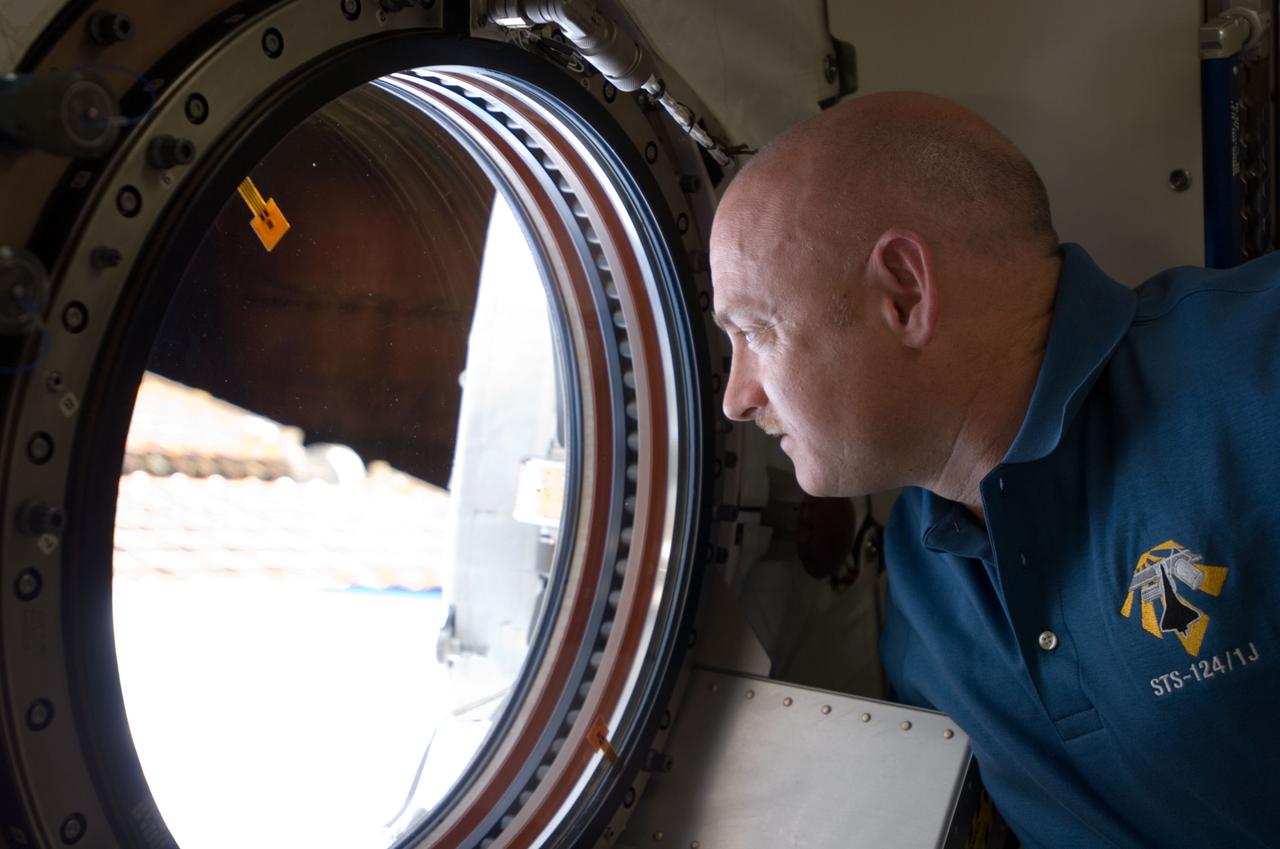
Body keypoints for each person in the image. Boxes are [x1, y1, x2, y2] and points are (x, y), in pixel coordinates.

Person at [709, 91, 1280, 848]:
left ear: (905, 293)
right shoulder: (921, 571)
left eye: (755, 331)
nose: (736, 400)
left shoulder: (1259, 371)